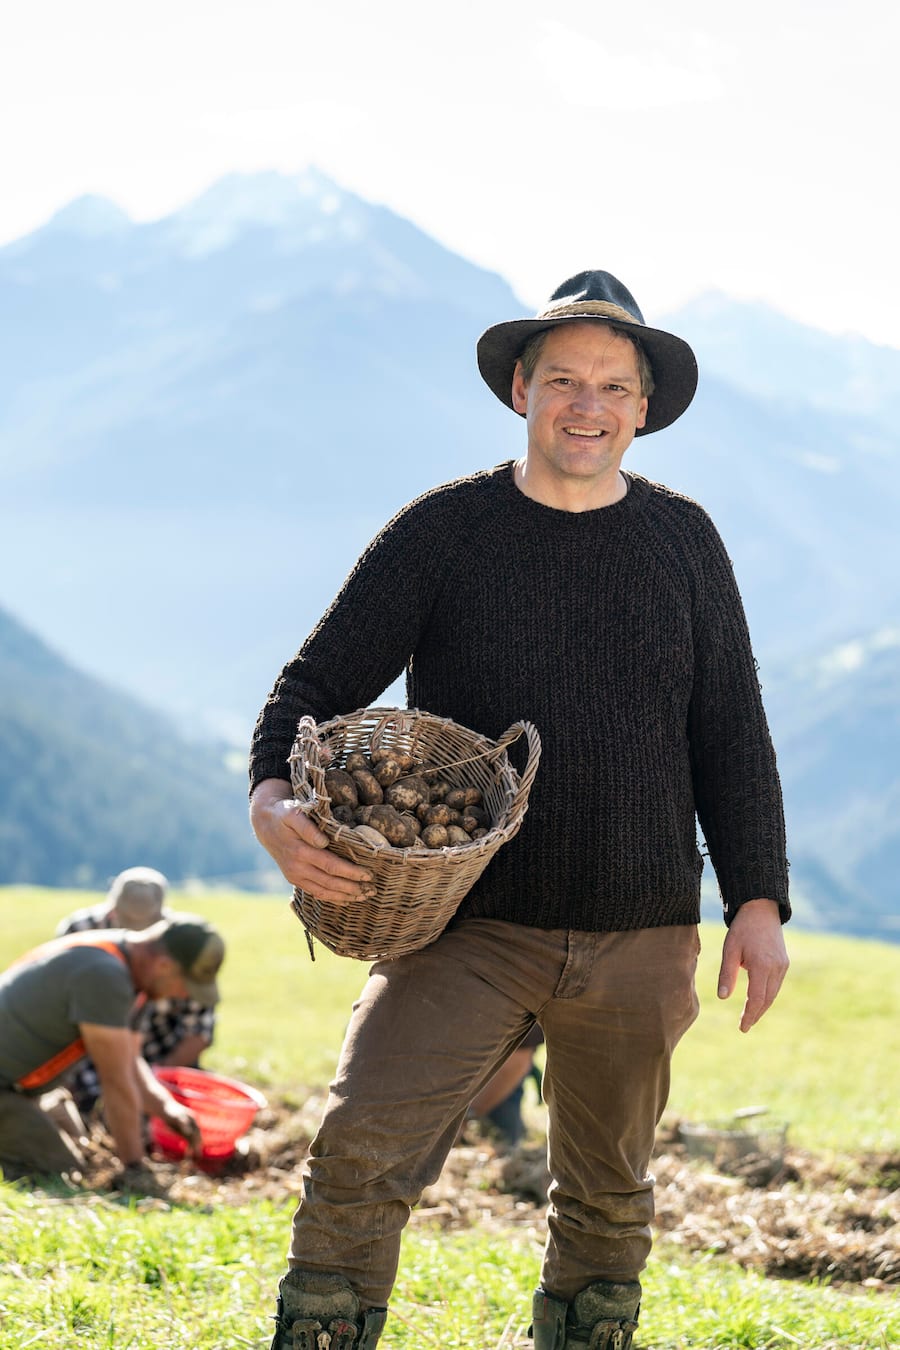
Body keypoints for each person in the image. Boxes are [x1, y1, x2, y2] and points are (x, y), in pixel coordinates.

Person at [248, 270, 790, 1350]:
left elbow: (729, 727)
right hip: (464, 927)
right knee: (360, 1147)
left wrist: (758, 901)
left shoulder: (685, 542)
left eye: (612, 385)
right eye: (563, 380)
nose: (586, 404)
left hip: (639, 928)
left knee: (608, 1194)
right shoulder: (443, 531)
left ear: (643, 409)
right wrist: (271, 800)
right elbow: (310, 690)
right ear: (519, 390)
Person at [0, 915, 225, 1183]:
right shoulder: (105, 975)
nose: (183, 996)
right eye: (185, 987)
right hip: (7, 1089)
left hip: (23, 1089)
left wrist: (167, 1109)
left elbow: (130, 1062)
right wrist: (135, 1169)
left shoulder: (129, 967)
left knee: (81, 1153)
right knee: (62, 1174)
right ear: (164, 965)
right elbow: (116, 1080)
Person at [56, 867, 218, 1113]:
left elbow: (198, 1029)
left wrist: (152, 1085)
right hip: (92, 1051)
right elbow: (58, 1012)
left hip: (160, 1052)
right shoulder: (79, 931)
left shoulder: (183, 945)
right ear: (112, 910)